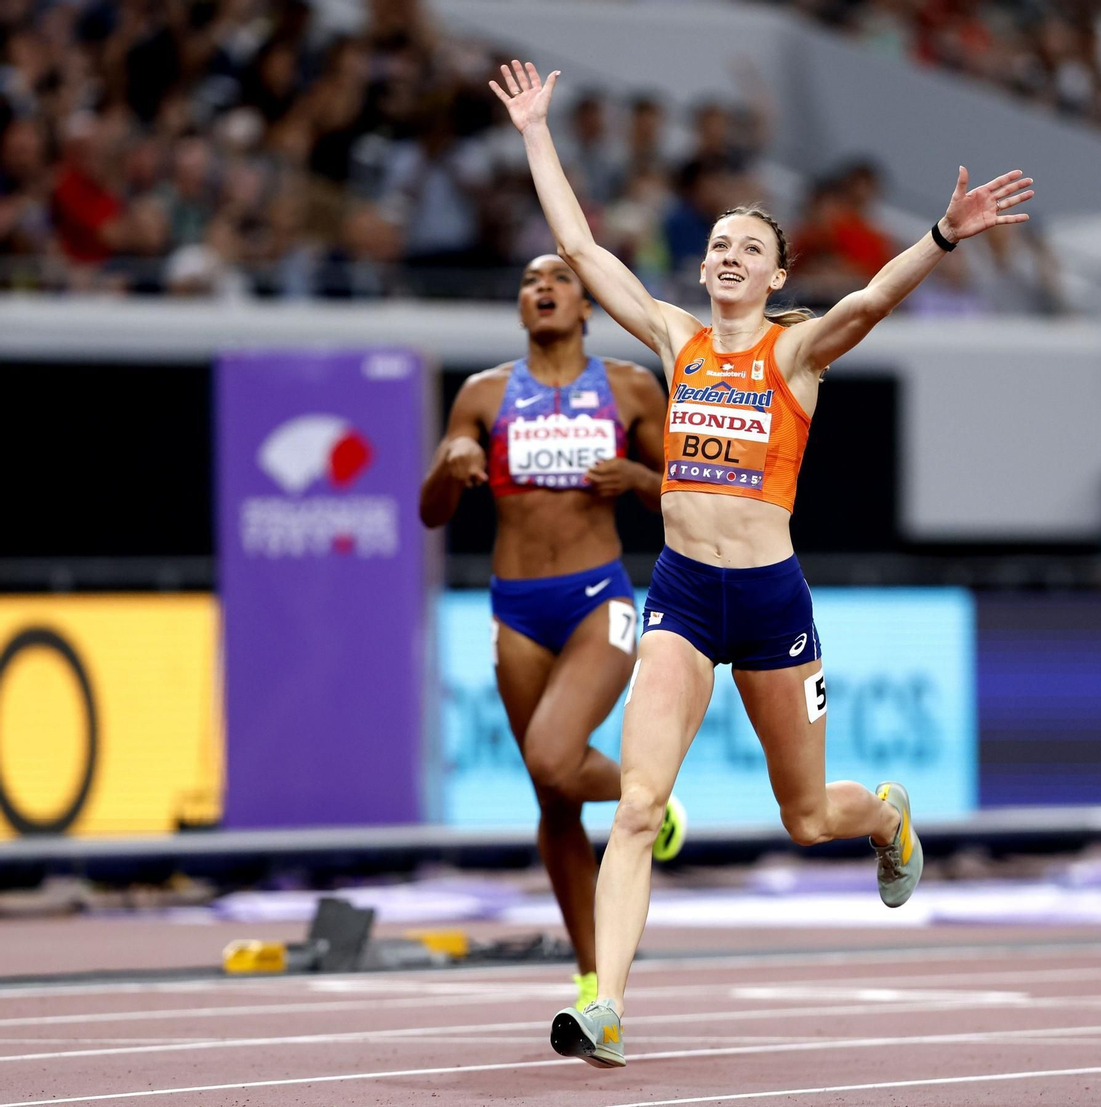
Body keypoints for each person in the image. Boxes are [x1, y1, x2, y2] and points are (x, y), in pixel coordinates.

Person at [489, 58, 1034, 1067]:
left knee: (807, 815)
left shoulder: (794, 353)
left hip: (771, 602)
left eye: (751, 248)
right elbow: (580, 247)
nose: (730, 256)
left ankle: (887, 818)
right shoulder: (675, 339)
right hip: (683, 598)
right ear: (702, 271)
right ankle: (606, 1007)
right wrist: (534, 132)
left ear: (777, 276)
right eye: (719, 246)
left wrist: (944, 234)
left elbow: (869, 301)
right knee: (638, 805)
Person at [418, 253, 683, 1010]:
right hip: (516, 608)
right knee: (554, 796)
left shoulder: (630, 386)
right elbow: (431, 512)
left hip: (598, 598)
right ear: (520, 306)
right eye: (531, 281)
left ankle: (647, 799)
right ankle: (595, 975)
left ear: (586, 305)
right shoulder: (483, 393)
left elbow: (690, 493)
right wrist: (452, 463)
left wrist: (639, 478)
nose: (543, 287)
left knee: (551, 755)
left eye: (560, 279)